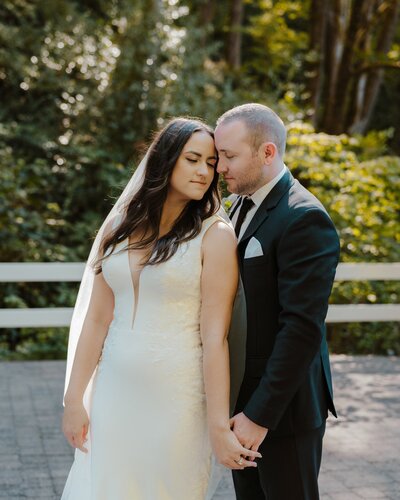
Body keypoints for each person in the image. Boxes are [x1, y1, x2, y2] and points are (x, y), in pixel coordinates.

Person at [61, 117, 260, 500]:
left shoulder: (214, 235)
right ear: (166, 159)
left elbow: (214, 337)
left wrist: (219, 426)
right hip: (113, 394)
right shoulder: (118, 226)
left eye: (211, 162)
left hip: (177, 400)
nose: (205, 171)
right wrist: (74, 400)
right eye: (193, 159)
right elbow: (97, 319)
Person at [214, 103, 340, 500]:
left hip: (282, 414)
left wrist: (259, 416)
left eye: (229, 156)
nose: (220, 167)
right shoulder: (238, 207)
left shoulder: (304, 218)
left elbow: (301, 329)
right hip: (242, 405)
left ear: (267, 153)